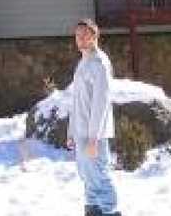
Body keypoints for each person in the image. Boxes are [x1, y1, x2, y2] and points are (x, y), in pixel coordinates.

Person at [66, 19, 121, 216]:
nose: (80, 39)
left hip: (93, 135)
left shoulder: (100, 64)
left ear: (94, 36)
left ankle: (110, 211)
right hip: (81, 132)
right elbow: (76, 102)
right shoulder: (82, 63)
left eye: (84, 35)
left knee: (99, 178)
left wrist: (94, 138)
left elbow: (101, 104)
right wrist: (71, 131)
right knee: (88, 179)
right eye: (77, 36)